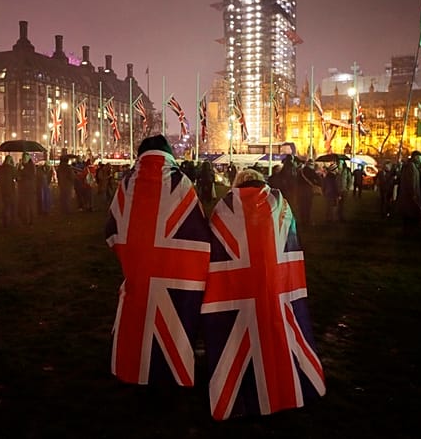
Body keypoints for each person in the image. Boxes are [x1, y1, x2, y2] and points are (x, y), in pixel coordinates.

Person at [201, 168, 325, 419]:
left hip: (240, 290)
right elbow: (290, 241)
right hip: (275, 286)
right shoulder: (281, 205)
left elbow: (215, 249)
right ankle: (284, 383)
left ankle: (242, 386)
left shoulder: (224, 208)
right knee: (277, 333)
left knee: (238, 339)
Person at [105, 135, 210, 387]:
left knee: (137, 318)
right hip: (173, 277)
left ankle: (135, 366)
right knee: (174, 324)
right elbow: (199, 234)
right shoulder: (181, 183)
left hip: (138, 272)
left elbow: (111, 230)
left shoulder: (126, 183)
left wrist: (132, 255)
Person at [396, 151, 421, 233]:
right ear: (416, 157)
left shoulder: (415, 167)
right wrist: (413, 194)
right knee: (409, 216)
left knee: (411, 216)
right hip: (411, 197)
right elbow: (411, 182)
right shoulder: (411, 167)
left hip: (413, 197)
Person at [297, 159, 322, 228]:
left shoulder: (300, 171)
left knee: (302, 206)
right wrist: (315, 184)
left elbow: (297, 180)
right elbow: (319, 179)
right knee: (308, 206)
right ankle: (307, 221)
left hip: (300, 191)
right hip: (308, 190)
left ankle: (302, 221)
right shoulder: (311, 171)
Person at [0, 155, 17, 228]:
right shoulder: (12, 168)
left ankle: (5, 222)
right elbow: (16, 177)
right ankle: (12, 221)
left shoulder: (0, 168)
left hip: (3, 189)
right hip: (11, 189)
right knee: (12, 205)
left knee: (5, 205)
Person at [17, 153, 37, 226]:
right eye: (23, 158)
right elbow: (18, 175)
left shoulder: (31, 166)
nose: (24, 159)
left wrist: (23, 170)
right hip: (22, 188)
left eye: (25, 158)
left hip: (29, 188)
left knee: (30, 205)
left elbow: (31, 175)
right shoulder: (22, 165)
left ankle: (31, 220)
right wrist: (19, 170)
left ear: (28, 158)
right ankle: (25, 219)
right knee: (23, 205)